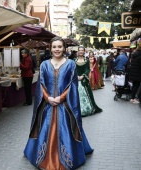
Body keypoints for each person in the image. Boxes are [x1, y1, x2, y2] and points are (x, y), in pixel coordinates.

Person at [24, 37, 93, 170]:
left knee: (68, 129)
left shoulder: (70, 64)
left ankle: (68, 157)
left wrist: (60, 98)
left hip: (65, 106)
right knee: (44, 129)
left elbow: (72, 85)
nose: (57, 49)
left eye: (59, 47)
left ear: (64, 48)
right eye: (54, 47)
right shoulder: (44, 64)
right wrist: (48, 98)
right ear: (50, 48)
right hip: (47, 105)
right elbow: (41, 85)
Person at [74, 46, 102, 117]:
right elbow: (72, 69)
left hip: (84, 80)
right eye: (79, 50)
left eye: (82, 50)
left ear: (84, 51)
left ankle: (86, 109)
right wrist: (76, 76)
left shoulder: (86, 61)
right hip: (75, 80)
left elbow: (87, 69)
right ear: (78, 51)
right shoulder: (74, 60)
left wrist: (83, 76)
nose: (80, 52)